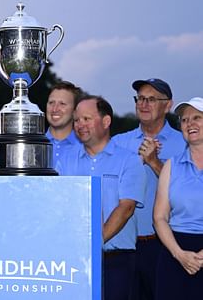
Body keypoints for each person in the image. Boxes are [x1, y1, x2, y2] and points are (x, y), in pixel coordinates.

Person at [56, 95, 145, 300]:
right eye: (76, 120)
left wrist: (94, 243)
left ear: (106, 122)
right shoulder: (65, 160)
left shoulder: (129, 161)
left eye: (86, 119)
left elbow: (126, 208)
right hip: (72, 260)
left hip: (116, 260)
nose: (80, 125)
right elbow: (58, 204)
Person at [112, 78, 185, 300]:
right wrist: (134, 163)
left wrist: (154, 162)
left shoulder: (184, 143)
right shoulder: (118, 142)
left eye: (151, 99)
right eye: (140, 98)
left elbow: (186, 193)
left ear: (168, 105)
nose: (144, 104)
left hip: (165, 245)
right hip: (123, 246)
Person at [153, 97, 203, 300]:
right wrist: (180, 255)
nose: (189, 124)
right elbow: (159, 218)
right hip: (175, 253)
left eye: (197, 118)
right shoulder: (171, 166)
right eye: (184, 120)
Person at [45, 81, 83, 167]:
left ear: (75, 111)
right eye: (51, 103)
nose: (55, 109)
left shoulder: (87, 149)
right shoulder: (33, 146)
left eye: (62, 104)